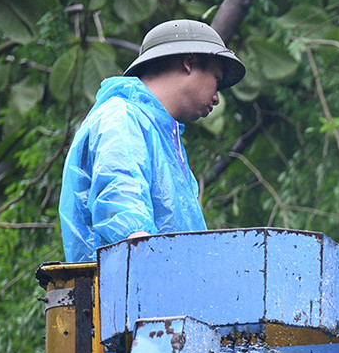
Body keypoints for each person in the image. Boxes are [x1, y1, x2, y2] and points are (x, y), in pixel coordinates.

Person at [58, 19, 245, 262]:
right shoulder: (122, 117)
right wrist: (142, 253)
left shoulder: (161, 135)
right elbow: (120, 194)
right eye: (217, 80)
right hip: (126, 290)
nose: (217, 97)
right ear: (189, 62)